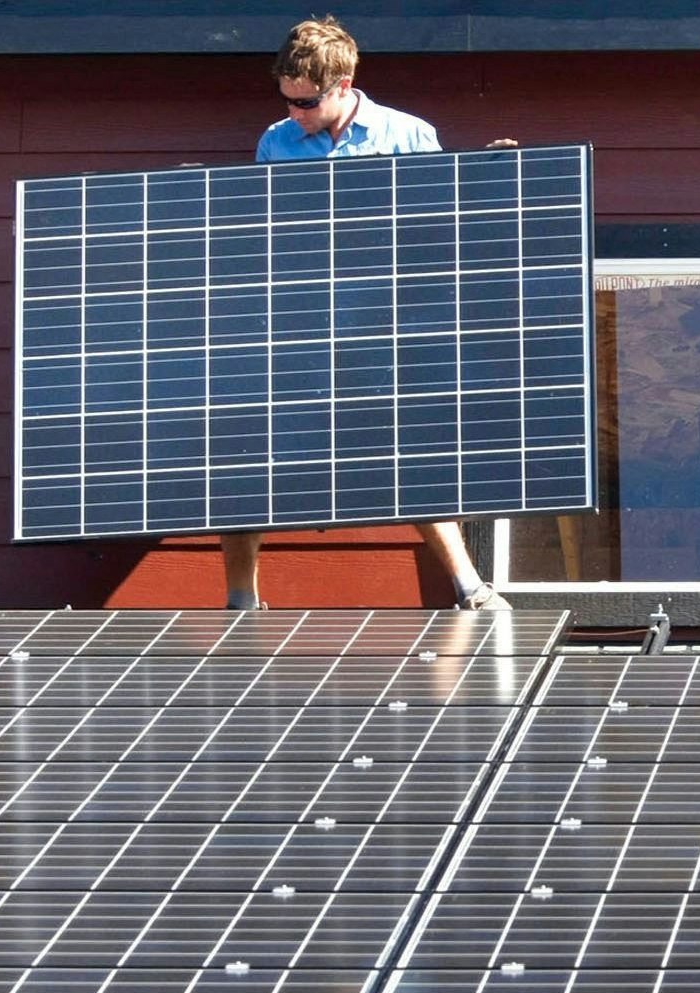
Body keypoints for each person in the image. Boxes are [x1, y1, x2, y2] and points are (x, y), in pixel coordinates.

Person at [231, 15, 509, 610]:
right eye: (286, 100)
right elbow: (265, 235)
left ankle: (470, 589)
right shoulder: (275, 143)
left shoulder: (408, 135)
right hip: (302, 321)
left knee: (405, 448)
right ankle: (240, 597)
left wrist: (488, 180)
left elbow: (442, 226)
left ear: (344, 82)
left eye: (305, 102)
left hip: (387, 321)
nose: (295, 113)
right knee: (252, 448)